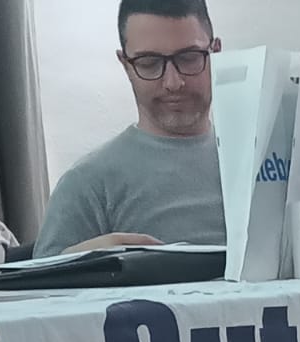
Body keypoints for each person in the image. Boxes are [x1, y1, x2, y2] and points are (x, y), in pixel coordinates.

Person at [33, 0, 226, 258]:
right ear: (125, 65)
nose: (173, 82)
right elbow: (39, 280)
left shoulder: (263, 164)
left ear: (216, 52)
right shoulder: (87, 183)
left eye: (189, 58)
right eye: (149, 63)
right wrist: (84, 264)